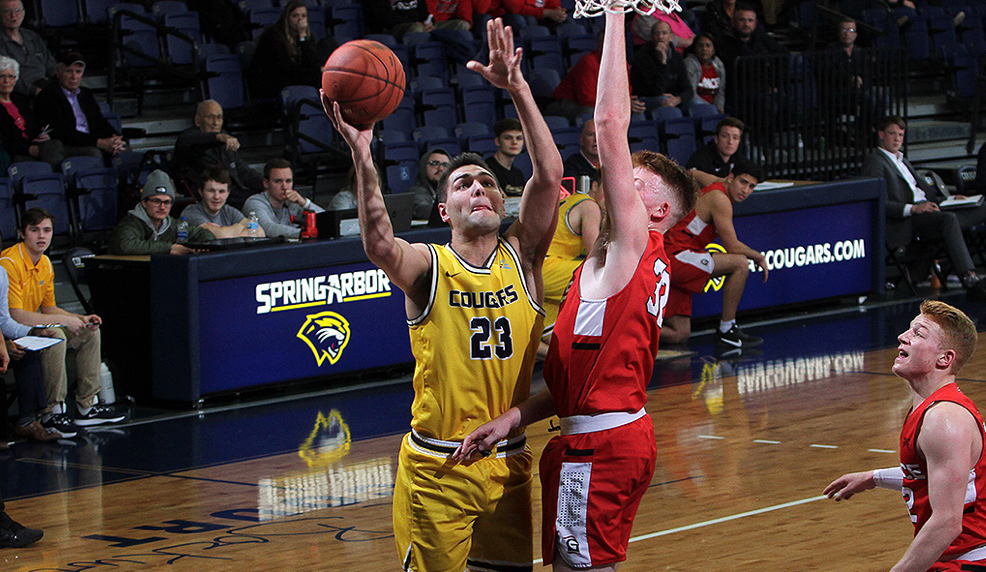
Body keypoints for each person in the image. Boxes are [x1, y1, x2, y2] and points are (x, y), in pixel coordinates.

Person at [453, 11, 696, 571]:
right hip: (600, 435)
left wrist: (614, 14)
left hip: (599, 447)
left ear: (658, 212)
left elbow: (609, 127)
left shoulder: (635, 246)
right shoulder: (607, 259)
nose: (619, 185)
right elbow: (577, 381)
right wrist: (514, 418)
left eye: (634, 185)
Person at [325, 17, 562, 572]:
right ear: (443, 210)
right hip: (440, 468)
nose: (479, 188)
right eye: (463, 184)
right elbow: (380, 242)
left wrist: (519, 89)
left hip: (509, 460)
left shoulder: (523, 258)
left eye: (488, 183)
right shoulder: (429, 265)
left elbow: (548, 175)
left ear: (502, 204)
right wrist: (363, 157)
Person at [824, 300, 986, 572]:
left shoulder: (943, 418)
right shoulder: (931, 409)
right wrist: (874, 478)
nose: (902, 336)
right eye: (909, 330)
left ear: (945, 358)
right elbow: (935, 477)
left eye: (918, 333)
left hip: (970, 562)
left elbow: (947, 521)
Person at [1, 208, 127, 430]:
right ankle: (52, 413)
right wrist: (62, 322)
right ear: (22, 233)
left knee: (90, 330)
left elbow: (49, 308)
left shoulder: (46, 263)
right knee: (56, 334)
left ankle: (87, 406)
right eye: (34, 230)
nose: (42, 236)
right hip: (14, 331)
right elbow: (15, 315)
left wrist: (79, 317)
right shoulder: (9, 263)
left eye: (47, 230)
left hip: (34, 324)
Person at [860, 116, 986, 297]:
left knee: (982, 207)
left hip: (929, 210)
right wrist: (913, 208)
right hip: (909, 218)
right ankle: (969, 277)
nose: (897, 139)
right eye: (892, 134)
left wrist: (951, 199)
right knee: (949, 220)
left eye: (901, 135)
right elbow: (878, 203)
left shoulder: (903, 160)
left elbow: (928, 195)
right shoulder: (875, 161)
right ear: (881, 135)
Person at [661, 162, 767, 348]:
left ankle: (626, 331)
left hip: (678, 254)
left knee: (680, 334)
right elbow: (732, 247)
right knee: (740, 264)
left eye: (751, 186)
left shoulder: (718, 183)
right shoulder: (721, 200)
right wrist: (758, 257)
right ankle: (727, 330)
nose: (745, 190)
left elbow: (692, 172)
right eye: (743, 182)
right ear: (731, 177)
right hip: (676, 255)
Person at [0, 255, 61, 441]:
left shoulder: (0, 273)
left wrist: (33, 331)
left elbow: (4, 320)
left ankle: (27, 421)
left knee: (27, 350)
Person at [540, 171, 601, 352]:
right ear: (595, 186)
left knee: (556, 333)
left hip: (533, 268)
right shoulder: (590, 206)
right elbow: (595, 256)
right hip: (547, 267)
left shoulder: (569, 201)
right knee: (603, 276)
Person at [172, 99, 264, 209]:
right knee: (257, 202)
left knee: (268, 195)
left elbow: (241, 170)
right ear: (197, 120)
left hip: (232, 192)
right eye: (210, 117)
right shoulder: (187, 139)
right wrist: (219, 137)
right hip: (209, 196)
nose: (215, 122)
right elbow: (199, 140)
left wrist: (269, 184)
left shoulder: (224, 137)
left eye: (219, 118)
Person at [33, 51, 125, 161]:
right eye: (69, 71)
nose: (74, 76)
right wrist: (99, 142)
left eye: (78, 71)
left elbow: (99, 121)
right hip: (67, 145)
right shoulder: (48, 96)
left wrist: (115, 138)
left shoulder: (86, 94)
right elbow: (63, 132)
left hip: (91, 140)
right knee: (93, 154)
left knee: (124, 150)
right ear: (58, 72)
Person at [108, 170, 215, 255]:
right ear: (144, 203)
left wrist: (203, 245)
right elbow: (126, 246)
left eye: (167, 202)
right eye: (156, 201)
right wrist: (169, 248)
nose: (162, 207)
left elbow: (203, 233)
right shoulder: (130, 223)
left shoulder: (173, 224)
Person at [247, 0, 322, 101]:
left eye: (303, 16)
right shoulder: (273, 35)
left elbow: (312, 63)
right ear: (287, 18)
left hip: (290, 76)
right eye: (295, 16)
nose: (300, 20)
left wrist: (303, 38)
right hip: (270, 80)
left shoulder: (306, 36)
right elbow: (284, 68)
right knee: (315, 76)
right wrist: (314, 71)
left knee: (319, 76)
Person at [0, 55, 61, 167]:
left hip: (34, 146)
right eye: (2, 76)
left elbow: (32, 126)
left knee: (54, 144)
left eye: (11, 76)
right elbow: (6, 141)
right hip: (16, 154)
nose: (6, 81)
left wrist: (41, 135)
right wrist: (28, 149)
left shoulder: (20, 100)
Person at [242, 158, 324, 238]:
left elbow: (326, 220)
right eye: (278, 181)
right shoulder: (254, 203)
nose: (284, 187)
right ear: (266, 183)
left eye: (288, 181)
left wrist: (305, 203)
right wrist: (305, 233)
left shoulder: (293, 202)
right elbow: (268, 228)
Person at [180, 168, 266, 239]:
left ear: (228, 193)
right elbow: (221, 236)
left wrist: (228, 232)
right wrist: (238, 227)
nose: (216, 196)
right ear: (201, 192)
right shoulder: (191, 212)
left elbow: (260, 232)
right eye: (211, 191)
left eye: (221, 191)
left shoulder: (229, 211)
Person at [630, 20, 694, 112]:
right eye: (657, 33)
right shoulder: (642, 57)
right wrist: (662, 63)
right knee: (664, 102)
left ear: (671, 37)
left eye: (664, 33)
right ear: (651, 37)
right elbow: (656, 90)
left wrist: (678, 99)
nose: (660, 37)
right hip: (646, 99)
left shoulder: (676, 57)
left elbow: (688, 89)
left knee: (698, 105)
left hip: (671, 99)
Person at [0, 0, 54, 96]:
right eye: (8, 11)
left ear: (23, 13)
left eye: (17, 10)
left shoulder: (32, 36)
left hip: (44, 85)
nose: (13, 16)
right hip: (19, 92)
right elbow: (5, 76)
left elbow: (50, 64)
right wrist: (32, 90)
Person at [686, 116, 746, 189]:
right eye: (725, 136)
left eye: (735, 138)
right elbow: (691, 172)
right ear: (716, 139)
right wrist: (721, 181)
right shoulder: (702, 155)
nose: (730, 142)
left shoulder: (738, 157)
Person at [684, 33, 726, 113]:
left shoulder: (718, 64)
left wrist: (719, 106)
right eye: (700, 45)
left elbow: (720, 92)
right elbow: (691, 94)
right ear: (695, 49)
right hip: (694, 104)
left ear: (713, 50)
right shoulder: (689, 63)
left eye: (708, 45)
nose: (704, 49)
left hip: (712, 106)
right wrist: (711, 108)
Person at [486, 117, 526, 197]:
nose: (514, 142)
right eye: (508, 138)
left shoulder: (518, 174)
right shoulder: (487, 169)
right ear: (497, 141)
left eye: (519, 138)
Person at [407, 148, 450, 220]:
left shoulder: (452, 190)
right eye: (435, 163)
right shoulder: (416, 192)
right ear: (424, 166)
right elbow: (423, 210)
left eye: (445, 165)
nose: (441, 168)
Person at [363, 0, 434, 39]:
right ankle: (418, 60)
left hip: (419, 25)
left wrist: (430, 23)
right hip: (392, 29)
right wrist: (419, 24)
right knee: (417, 28)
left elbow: (424, 13)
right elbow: (388, 20)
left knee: (444, 26)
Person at [485, 0, 567, 25]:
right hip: (503, 15)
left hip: (540, 14)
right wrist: (546, 13)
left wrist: (558, 13)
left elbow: (553, 6)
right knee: (528, 21)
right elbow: (515, 8)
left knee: (566, 22)